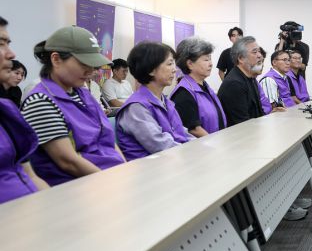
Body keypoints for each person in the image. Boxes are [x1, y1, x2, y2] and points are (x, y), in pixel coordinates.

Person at [21, 26, 125, 186]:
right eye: (84, 64)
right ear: (56, 59)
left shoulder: (83, 94)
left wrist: (126, 171)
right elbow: (69, 162)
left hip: (109, 178)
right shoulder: (40, 101)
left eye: (93, 65)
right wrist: (112, 183)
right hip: (79, 187)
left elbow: (109, 143)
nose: (90, 71)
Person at [116, 42, 193, 161]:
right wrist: (194, 153)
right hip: (150, 173)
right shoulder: (136, 108)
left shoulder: (165, 101)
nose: (174, 70)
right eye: (169, 64)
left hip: (172, 163)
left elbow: (182, 133)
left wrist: (201, 147)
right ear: (151, 70)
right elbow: (161, 145)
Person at [0, 16, 48, 203]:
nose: (11, 54)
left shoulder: (6, 110)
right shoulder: (40, 98)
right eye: (1, 43)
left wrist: (53, 206)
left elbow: (30, 175)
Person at [171, 37, 227, 137]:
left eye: (210, 58)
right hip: (204, 149)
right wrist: (216, 145)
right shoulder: (183, 93)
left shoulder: (205, 86)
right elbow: (193, 129)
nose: (211, 64)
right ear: (190, 64)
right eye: (206, 59)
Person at [218, 36, 275, 127]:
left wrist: (271, 115)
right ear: (241, 58)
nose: (260, 55)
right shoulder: (234, 84)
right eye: (254, 52)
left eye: (259, 51)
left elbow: (256, 115)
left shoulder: (251, 79)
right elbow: (243, 125)